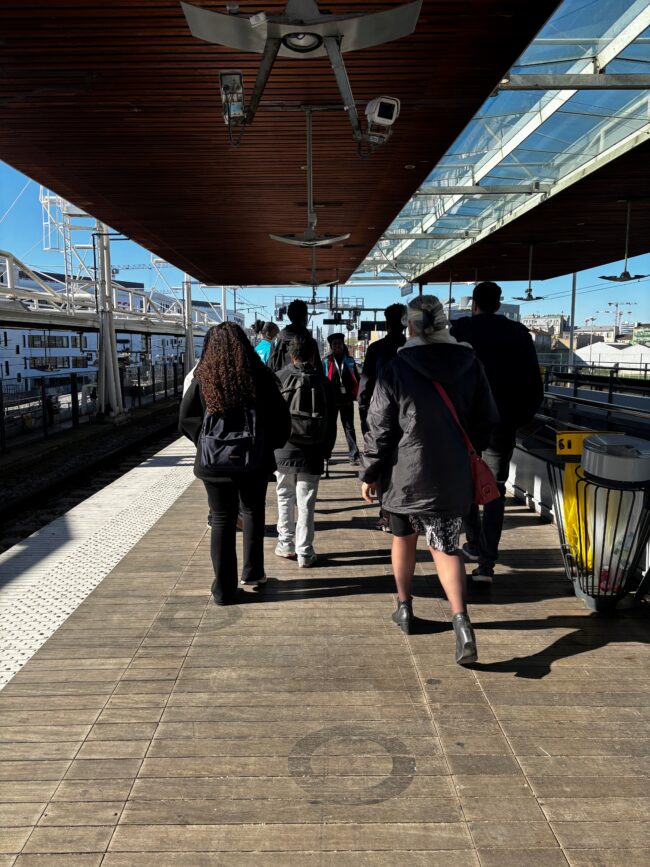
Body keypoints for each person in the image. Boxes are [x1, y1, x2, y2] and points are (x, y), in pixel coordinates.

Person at [360, 295, 498, 665]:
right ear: (443, 322)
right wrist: (462, 448)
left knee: (403, 540)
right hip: (450, 477)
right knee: (446, 548)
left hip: (404, 477)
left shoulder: (395, 367)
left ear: (411, 326)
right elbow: (486, 419)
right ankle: (462, 622)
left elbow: (380, 429)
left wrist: (370, 472)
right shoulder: (470, 362)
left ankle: (404, 609)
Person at [179, 323, 291, 605]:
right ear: (244, 344)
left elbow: (186, 420)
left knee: (222, 519)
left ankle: (223, 590)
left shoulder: (203, 379)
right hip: (253, 461)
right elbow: (281, 421)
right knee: (253, 511)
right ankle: (253, 574)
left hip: (214, 465)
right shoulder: (260, 377)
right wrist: (268, 447)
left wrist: (206, 444)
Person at [451, 281, 543, 584]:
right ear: (499, 303)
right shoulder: (518, 334)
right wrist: (518, 419)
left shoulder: (460, 332)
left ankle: (474, 545)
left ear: (474, 304)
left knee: (464, 485)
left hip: (463, 425)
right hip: (501, 424)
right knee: (494, 489)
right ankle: (487, 562)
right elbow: (533, 384)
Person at [274, 336, 337, 567]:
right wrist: (326, 450)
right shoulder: (324, 381)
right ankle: (305, 552)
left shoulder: (279, 378)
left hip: (283, 449)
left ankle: (286, 544)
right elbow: (332, 421)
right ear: (313, 355)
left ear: (291, 354)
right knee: (306, 502)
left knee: (284, 496)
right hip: (313, 449)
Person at [357, 303, 406, 531]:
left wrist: (365, 419)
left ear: (387, 323)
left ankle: (387, 514)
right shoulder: (410, 347)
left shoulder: (377, 349)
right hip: (409, 416)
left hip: (381, 414)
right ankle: (403, 512)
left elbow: (365, 388)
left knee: (384, 462)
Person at [323, 333, 361, 466]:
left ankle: (354, 455)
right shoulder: (326, 362)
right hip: (331, 401)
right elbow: (323, 380)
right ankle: (326, 455)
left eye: (339, 343)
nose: (337, 346)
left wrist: (357, 395)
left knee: (349, 427)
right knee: (330, 429)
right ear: (331, 346)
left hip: (347, 400)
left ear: (342, 345)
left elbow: (357, 378)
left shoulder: (349, 361)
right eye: (334, 344)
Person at [268, 299, 321, 372]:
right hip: (305, 382)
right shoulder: (311, 342)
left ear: (289, 316)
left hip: (281, 381)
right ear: (305, 316)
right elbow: (318, 371)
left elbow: (270, 366)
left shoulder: (277, 340)